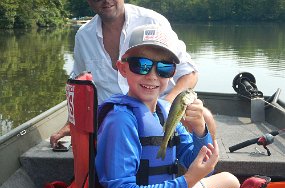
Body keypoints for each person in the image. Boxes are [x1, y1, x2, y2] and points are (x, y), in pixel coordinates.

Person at [95, 24, 240, 188]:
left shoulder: (165, 111)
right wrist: (187, 181)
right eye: (141, 65)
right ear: (122, 68)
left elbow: (194, 161)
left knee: (230, 182)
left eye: (164, 68)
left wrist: (200, 131)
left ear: (172, 74)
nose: (152, 76)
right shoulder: (120, 121)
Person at [50, 0, 216, 148]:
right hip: (112, 118)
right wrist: (70, 123)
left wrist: (166, 106)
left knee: (205, 117)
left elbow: (190, 74)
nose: (106, 1)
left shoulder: (154, 22)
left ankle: (198, 175)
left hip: (158, 108)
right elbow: (79, 87)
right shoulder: (83, 36)